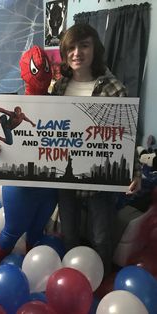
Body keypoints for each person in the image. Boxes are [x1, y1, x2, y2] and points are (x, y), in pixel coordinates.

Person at [51, 23, 141, 276]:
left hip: (100, 178)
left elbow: (126, 136)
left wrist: (135, 172)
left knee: (101, 238)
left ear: (95, 50)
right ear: (65, 52)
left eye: (84, 45)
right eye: (71, 47)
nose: (77, 52)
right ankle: (70, 282)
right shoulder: (58, 88)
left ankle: (98, 284)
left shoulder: (114, 88)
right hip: (66, 178)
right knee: (69, 234)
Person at [0, 45, 58, 261]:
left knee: (38, 231)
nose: (41, 75)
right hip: (21, 185)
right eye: (36, 69)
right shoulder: (14, 105)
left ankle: (31, 269)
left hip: (49, 185)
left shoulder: (61, 104)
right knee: (12, 232)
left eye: (44, 68)